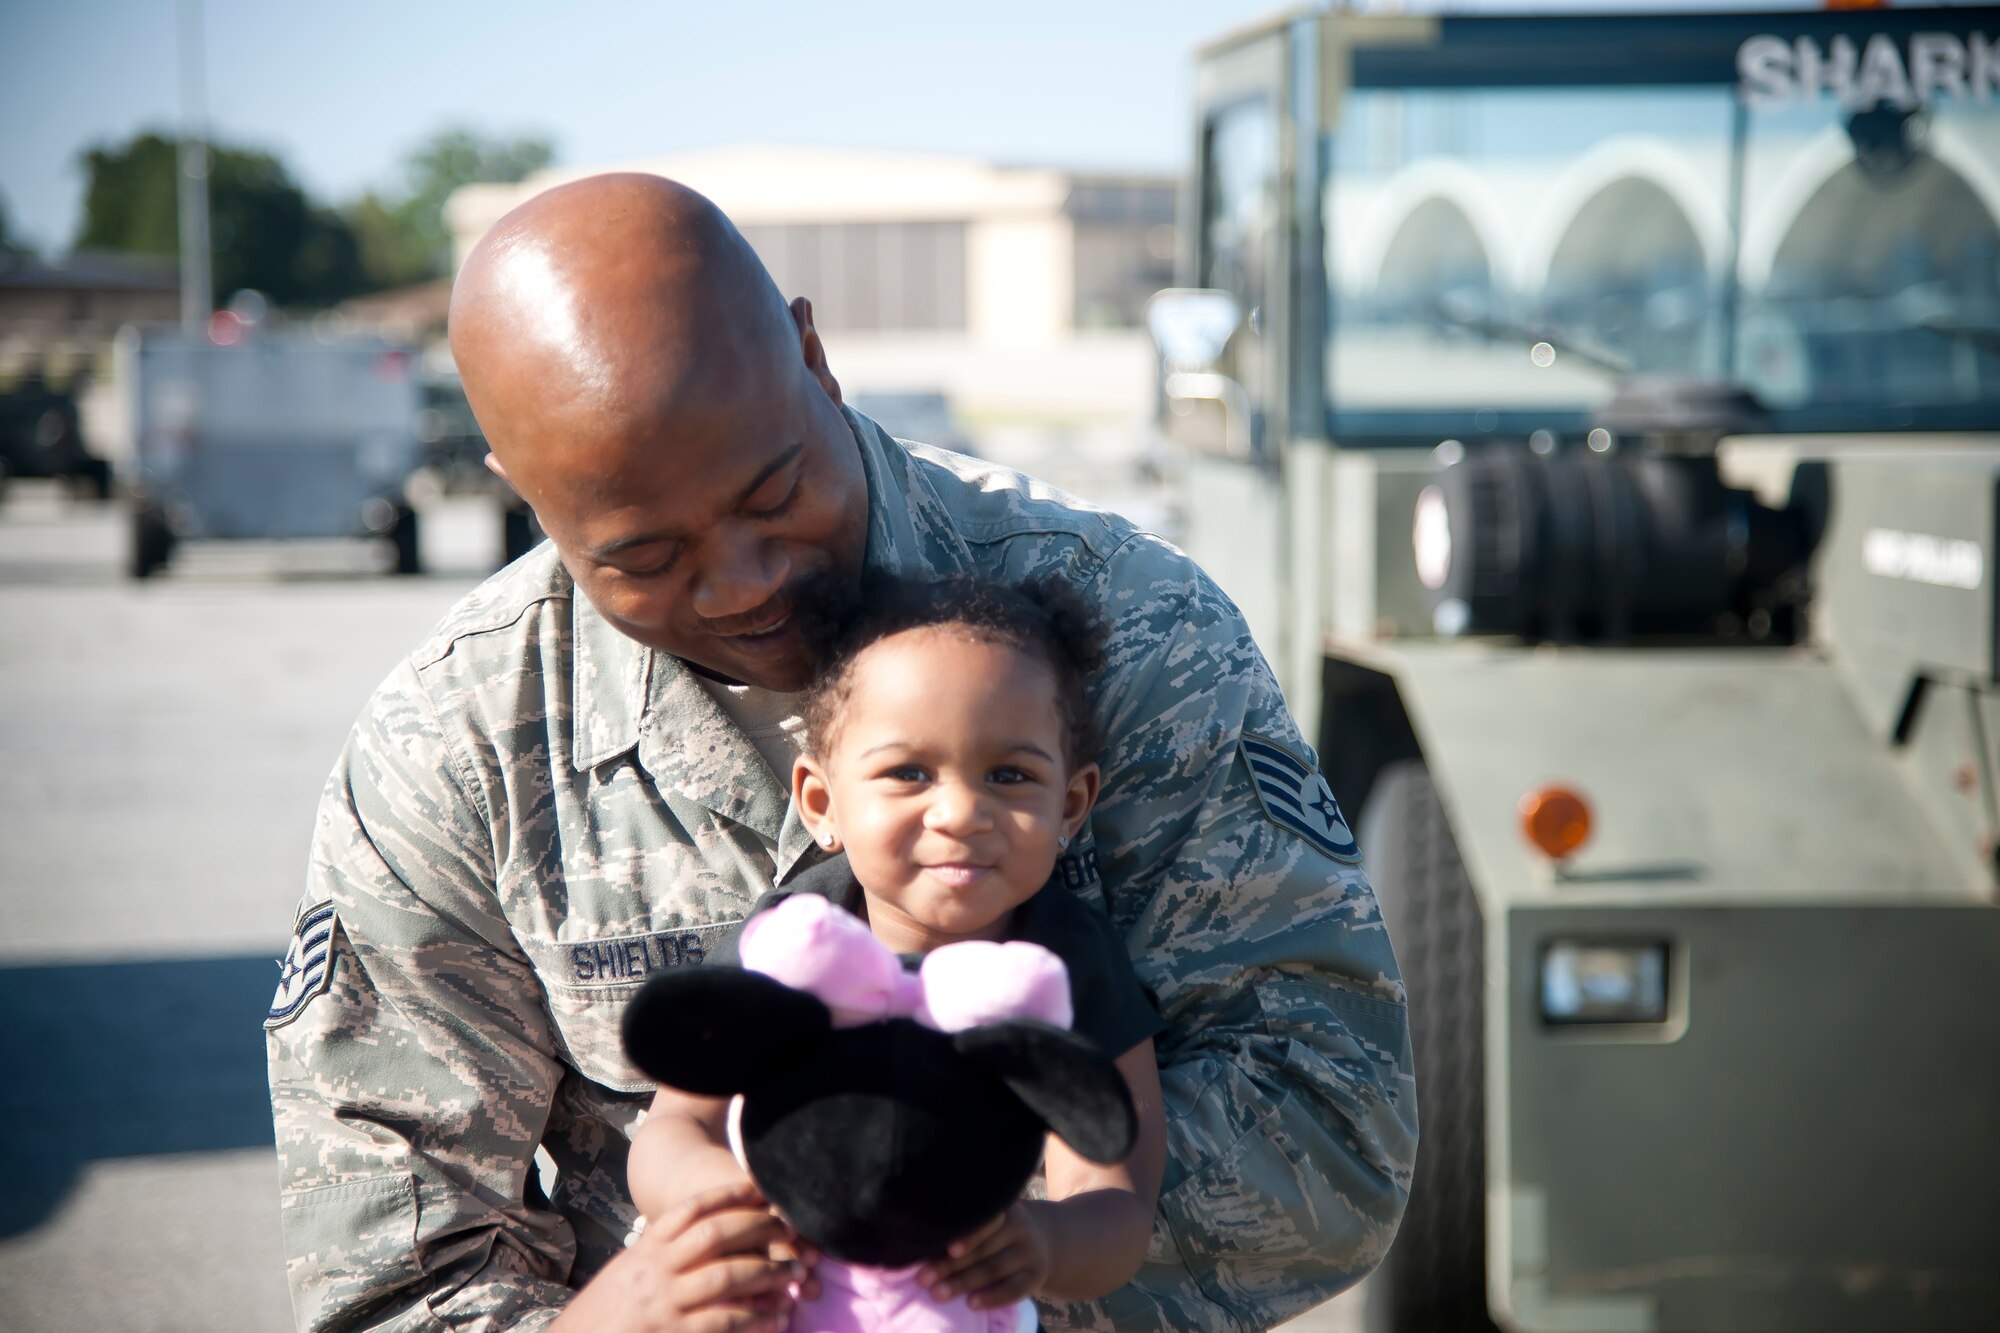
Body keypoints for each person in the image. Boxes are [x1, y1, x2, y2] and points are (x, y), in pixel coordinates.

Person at [265, 172, 1416, 1333]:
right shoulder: (456, 751)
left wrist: (941, 1237)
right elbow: (391, 1273)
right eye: (642, 555)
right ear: (524, 493)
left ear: (814, 357)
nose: (742, 581)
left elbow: (1329, 1125)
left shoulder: (1131, 633)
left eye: (773, 491)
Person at [629, 574, 1167, 1320]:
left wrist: (1042, 1240)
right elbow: (671, 1127)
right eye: (908, 773)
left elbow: (1116, 1201)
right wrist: (725, 1199)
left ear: (1069, 804)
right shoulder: (796, 940)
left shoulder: (1064, 961)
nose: (959, 811)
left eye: (1009, 775)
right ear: (821, 802)